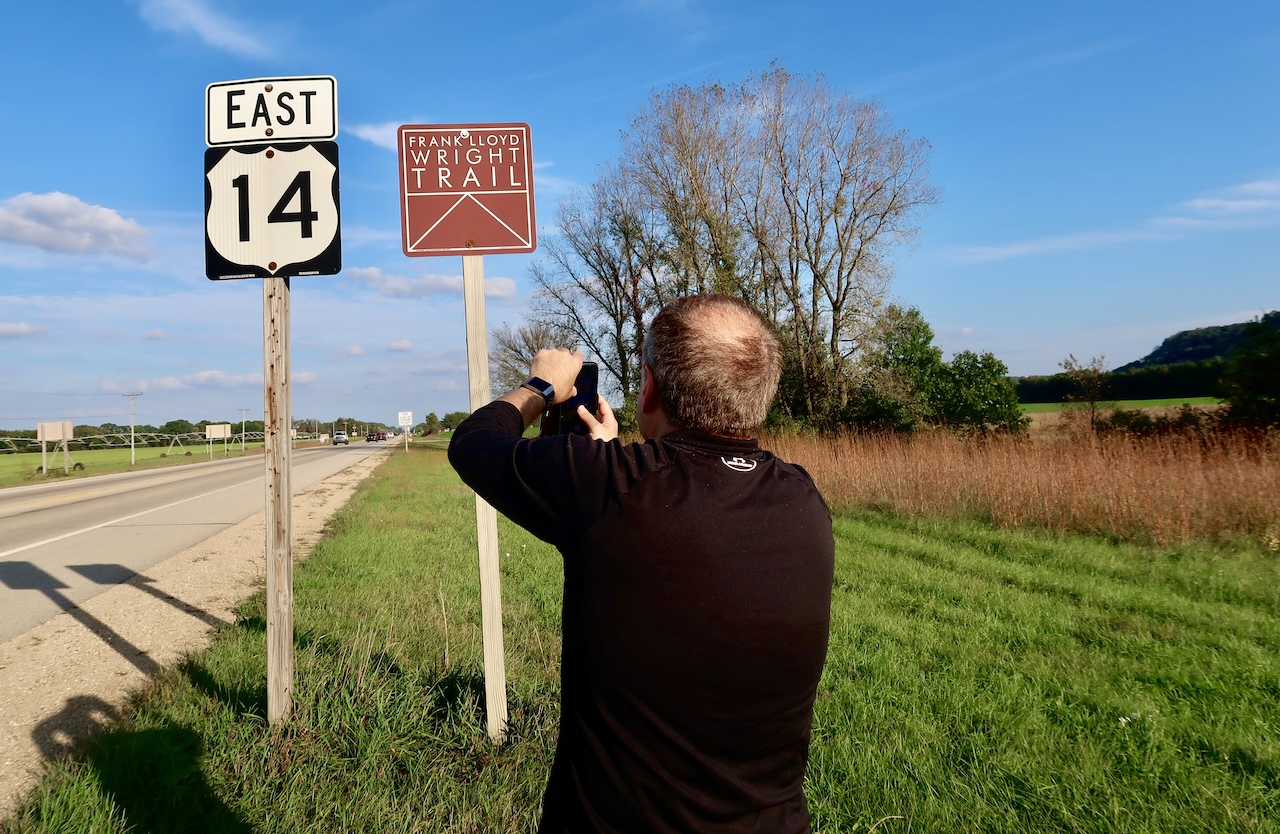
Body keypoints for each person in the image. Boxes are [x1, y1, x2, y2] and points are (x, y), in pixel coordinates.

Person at [449, 294, 835, 834]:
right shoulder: (803, 498)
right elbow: (684, 499)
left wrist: (542, 388)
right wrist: (607, 453)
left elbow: (473, 444)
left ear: (650, 386)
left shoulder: (612, 488)